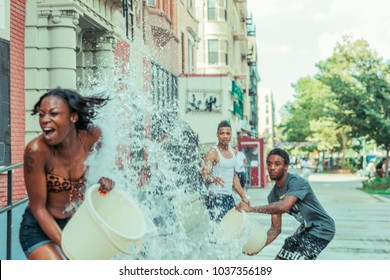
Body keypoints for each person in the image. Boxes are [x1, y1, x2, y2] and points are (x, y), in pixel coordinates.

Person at [19, 88, 115, 260]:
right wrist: (69, 248)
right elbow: (38, 208)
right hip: (39, 229)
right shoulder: (36, 151)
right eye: (41, 114)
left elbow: (105, 161)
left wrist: (104, 178)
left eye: (54, 113)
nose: (45, 120)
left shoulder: (93, 136)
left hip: (76, 225)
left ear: (73, 117)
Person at [236, 148, 335, 260]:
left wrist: (251, 209)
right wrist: (258, 246)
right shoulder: (273, 196)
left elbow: (284, 206)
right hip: (305, 230)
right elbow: (275, 229)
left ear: (286, 167)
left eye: (277, 164)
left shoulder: (297, 182)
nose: (272, 167)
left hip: (322, 228)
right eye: (269, 164)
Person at [201, 120, 250, 222]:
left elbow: (234, 177)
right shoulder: (213, 152)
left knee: (230, 228)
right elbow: (205, 175)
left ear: (231, 134)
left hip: (228, 196)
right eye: (221, 133)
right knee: (219, 229)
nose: (225, 136)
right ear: (217, 135)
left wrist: (243, 197)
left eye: (227, 133)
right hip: (215, 197)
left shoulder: (233, 152)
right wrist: (213, 179)